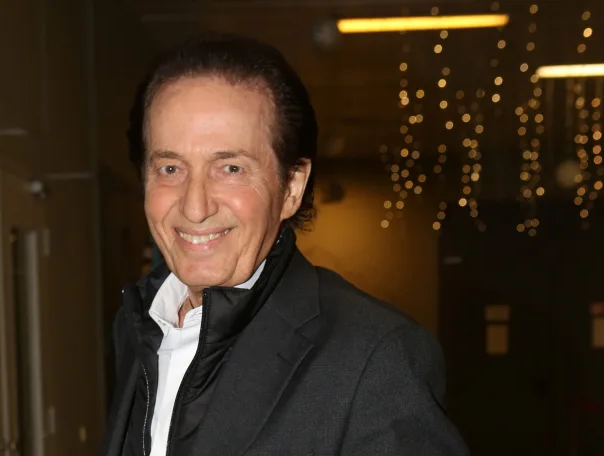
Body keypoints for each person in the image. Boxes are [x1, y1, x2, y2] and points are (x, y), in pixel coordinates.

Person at [103, 33, 470, 456]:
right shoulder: (138, 325)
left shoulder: (376, 359)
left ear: (292, 187)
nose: (195, 206)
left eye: (231, 168)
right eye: (170, 168)